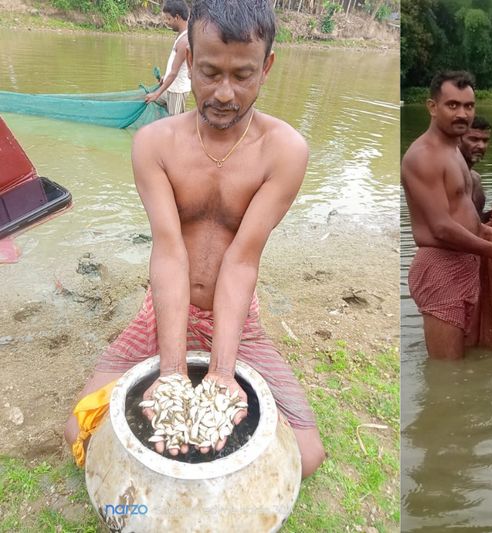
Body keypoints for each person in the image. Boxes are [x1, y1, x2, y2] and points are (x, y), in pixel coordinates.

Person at [65, 0, 325, 479]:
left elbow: (242, 262)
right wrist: (170, 372)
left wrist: (223, 375)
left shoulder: (284, 150)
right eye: (208, 72)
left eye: (243, 75)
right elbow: (168, 252)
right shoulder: (155, 144)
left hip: (237, 319)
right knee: (78, 430)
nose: (224, 93)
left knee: (306, 459)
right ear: (188, 57)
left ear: (266, 67)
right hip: (162, 308)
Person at [402, 70, 492, 360]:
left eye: (468, 106)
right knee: (446, 370)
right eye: (452, 105)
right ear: (432, 107)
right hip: (440, 266)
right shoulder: (424, 155)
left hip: (464, 261)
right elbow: (441, 227)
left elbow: (458, 208)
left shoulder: (454, 149)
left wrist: (482, 230)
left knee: (465, 358)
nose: (462, 114)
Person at [143, 0, 191, 115]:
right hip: (170, 87)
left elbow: (174, 73)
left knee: (175, 126)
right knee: (147, 100)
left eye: (168, 19)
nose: (167, 22)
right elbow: (174, 68)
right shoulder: (180, 35)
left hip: (177, 92)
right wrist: (165, 77)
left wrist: (156, 94)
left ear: (177, 17)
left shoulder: (184, 41)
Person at [459, 115, 491, 221]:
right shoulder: (446, 176)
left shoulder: (475, 178)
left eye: (485, 140)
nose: (481, 146)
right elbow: (440, 226)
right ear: (457, 140)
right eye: (474, 139)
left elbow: (475, 221)